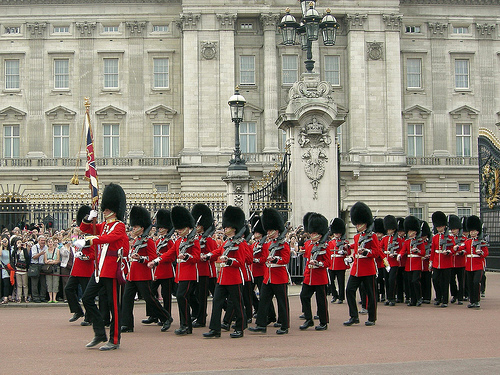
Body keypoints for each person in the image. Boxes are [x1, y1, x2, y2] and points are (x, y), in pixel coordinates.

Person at [76, 183, 130, 351]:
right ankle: (100, 333)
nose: (104, 211)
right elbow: (84, 228)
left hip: (112, 270)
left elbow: (107, 239)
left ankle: (114, 340)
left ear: (114, 210)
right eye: (103, 209)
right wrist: (88, 218)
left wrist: (88, 240)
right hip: (99, 269)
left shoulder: (119, 226)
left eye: (107, 209)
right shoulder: (104, 225)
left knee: (114, 306)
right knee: (87, 298)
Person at [120, 206, 172, 333]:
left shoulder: (148, 241)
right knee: (126, 299)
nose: (133, 229)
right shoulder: (137, 240)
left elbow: (153, 258)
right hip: (132, 275)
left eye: (136, 227)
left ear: (142, 228)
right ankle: (127, 324)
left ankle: (166, 317)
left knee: (150, 299)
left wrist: (141, 258)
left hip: (143, 275)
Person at [203, 206, 248, 339]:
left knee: (238, 304)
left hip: (234, 278)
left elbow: (240, 261)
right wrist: (208, 255)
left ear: (234, 228)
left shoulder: (240, 243)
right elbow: (219, 251)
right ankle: (215, 329)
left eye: (228, 227)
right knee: (216, 303)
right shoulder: (227, 242)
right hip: (222, 278)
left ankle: (240, 328)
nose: (225, 229)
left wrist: (229, 261)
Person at [248, 208, 290, 335]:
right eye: (268, 230)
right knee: (264, 301)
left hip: (279, 277)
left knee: (282, 302)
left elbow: (286, 259)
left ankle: (284, 325)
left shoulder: (284, 244)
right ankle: (261, 324)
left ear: (277, 231)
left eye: (271, 230)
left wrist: (276, 259)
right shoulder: (267, 244)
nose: (269, 232)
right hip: (268, 277)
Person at [159, 206, 200, 335]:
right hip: (180, 274)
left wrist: (187, 256)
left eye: (181, 229)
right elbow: (170, 254)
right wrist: (156, 261)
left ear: (188, 227)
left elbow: (197, 257)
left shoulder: (194, 240)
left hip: (190, 274)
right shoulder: (179, 241)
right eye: (178, 229)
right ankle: (185, 325)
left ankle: (186, 325)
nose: (179, 231)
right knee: (182, 298)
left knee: (182, 296)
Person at [343, 201, 380, 327]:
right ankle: (354, 316)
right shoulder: (357, 237)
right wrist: (348, 247)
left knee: (371, 294)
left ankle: (372, 317)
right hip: (357, 269)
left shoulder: (372, 236)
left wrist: (366, 252)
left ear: (366, 223)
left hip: (368, 269)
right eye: (357, 224)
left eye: (360, 224)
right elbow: (355, 246)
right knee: (349, 290)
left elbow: (376, 252)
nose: (358, 226)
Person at [299, 213, 331, 331]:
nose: (312, 235)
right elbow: (307, 257)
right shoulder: (308, 244)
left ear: (320, 234)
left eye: (314, 233)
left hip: (320, 277)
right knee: (304, 296)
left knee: (321, 301)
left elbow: (328, 262)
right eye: (311, 233)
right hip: (309, 276)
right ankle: (308, 319)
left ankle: (323, 322)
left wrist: (318, 264)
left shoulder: (325, 246)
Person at [144, 209, 175, 326]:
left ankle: (166, 316)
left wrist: (161, 256)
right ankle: (153, 315)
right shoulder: (159, 241)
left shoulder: (169, 241)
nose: (159, 229)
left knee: (166, 296)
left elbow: (172, 257)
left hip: (166, 271)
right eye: (159, 227)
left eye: (162, 228)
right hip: (157, 271)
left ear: (167, 228)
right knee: (151, 293)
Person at [65, 205, 95, 324]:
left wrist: (85, 257)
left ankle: (89, 317)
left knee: (87, 295)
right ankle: (77, 311)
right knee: (68, 289)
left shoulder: (91, 236)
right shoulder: (78, 237)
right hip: (77, 269)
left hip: (86, 270)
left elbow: (93, 254)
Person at [190, 203, 217, 328]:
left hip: (206, 271)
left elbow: (214, 254)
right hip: (196, 271)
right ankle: (197, 314)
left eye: (199, 225)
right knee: (195, 294)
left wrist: (205, 256)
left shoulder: (209, 239)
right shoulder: (195, 238)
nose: (197, 227)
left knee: (204, 297)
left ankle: (201, 319)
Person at [455, 215, 488, 308]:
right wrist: (456, 248)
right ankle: (472, 301)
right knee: (469, 284)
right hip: (469, 266)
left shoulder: (481, 242)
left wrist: (480, 252)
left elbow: (486, 253)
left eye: (474, 231)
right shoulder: (468, 241)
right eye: (471, 231)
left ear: (477, 232)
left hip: (478, 266)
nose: (472, 233)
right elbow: (462, 247)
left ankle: (477, 301)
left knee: (476, 282)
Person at [430, 211, 456, 308]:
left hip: (446, 263)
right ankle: (438, 297)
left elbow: (453, 249)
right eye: (437, 227)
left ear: (444, 226)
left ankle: (445, 300)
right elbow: (433, 250)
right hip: (437, 262)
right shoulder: (435, 237)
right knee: (435, 280)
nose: (439, 228)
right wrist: (431, 262)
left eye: (440, 226)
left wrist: (449, 252)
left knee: (445, 282)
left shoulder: (450, 237)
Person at [397, 216, 424, 306]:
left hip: (416, 264)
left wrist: (418, 251)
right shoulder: (407, 242)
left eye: (411, 231)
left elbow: (423, 252)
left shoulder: (420, 241)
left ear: (415, 232)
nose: (409, 233)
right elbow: (403, 250)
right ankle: (413, 300)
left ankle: (419, 298)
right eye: (408, 231)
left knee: (415, 281)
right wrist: (400, 255)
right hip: (409, 264)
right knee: (409, 283)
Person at [327, 218, 350, 304]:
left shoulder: (345, 242)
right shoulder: (330, 242)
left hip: (340, 264)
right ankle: (334, 295)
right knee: (331, 281)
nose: (336, 234)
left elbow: (348, 252)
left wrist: (345, 250)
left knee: (341, 282)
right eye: (335, 232)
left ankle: (341, 297)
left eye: (338, 232)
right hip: (332, 264)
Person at [381, 215, 399, 306]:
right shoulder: (385, 238)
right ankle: (388, 297)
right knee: (387, 280)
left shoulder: (398, 239)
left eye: (390, 229)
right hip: (386, 262)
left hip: (394, 262)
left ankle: (392, 298)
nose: (388, 231)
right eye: (387, 229)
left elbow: (401, 249)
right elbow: (380, 248)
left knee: (392, 280)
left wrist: (395, 254)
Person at [449, 215, 466, 305]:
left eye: (454, 229)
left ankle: (460, 297)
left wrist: (462, 252)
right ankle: (454, 295)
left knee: (461, 281)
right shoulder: (450, 238)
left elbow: (466, 249)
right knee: (451, 280)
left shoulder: (464, 238)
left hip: (461, 263)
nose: (452, 231)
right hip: (452, 263)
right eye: (452, 229)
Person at [29, 235, 48, 303]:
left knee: (43, 282)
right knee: (34, 283)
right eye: (42, 240)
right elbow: (34, 257)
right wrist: (41, 253)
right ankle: (35, 297)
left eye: (44, 241)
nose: (43, 242)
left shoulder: (46, 247)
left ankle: (43, 297)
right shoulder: (34, 247)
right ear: (38, 241)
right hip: (35, 265)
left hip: (43, 265)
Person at [13, 236, 30, 302]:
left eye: (20, 242)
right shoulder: (16, 250)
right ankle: (19, 297)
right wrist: (17, 248)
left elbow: (27, 258)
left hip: (24, 269)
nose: (20, 244)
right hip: (17, 269)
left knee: (25, 284)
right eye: (18, 243)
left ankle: (25, 297)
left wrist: (25, 248)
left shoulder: (24, 250)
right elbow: (12, 255)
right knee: (19, 284)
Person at [44, 237, 61, 303]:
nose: (50, 243)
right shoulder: (46, 251)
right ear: (47, 243)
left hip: (56, 268)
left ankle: (54, 298)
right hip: (48, 268)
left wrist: (50, 261)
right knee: (49, 282)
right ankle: (50, 298)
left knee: (56, 282)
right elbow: (45, 261)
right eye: (49, 242)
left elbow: (58, 260)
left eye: (51, 242)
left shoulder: (57, 250)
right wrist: (52, 261)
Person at [1, 234, 13, 304]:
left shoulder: (11, 249)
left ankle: (10, 296)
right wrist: (1, 245)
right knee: (5, 283)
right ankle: (5, 297)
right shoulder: (1, 249)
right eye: (4, 240)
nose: (5, 242)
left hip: (11, 268)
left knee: (11, 282)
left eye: (6, 240)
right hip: (4, 268)